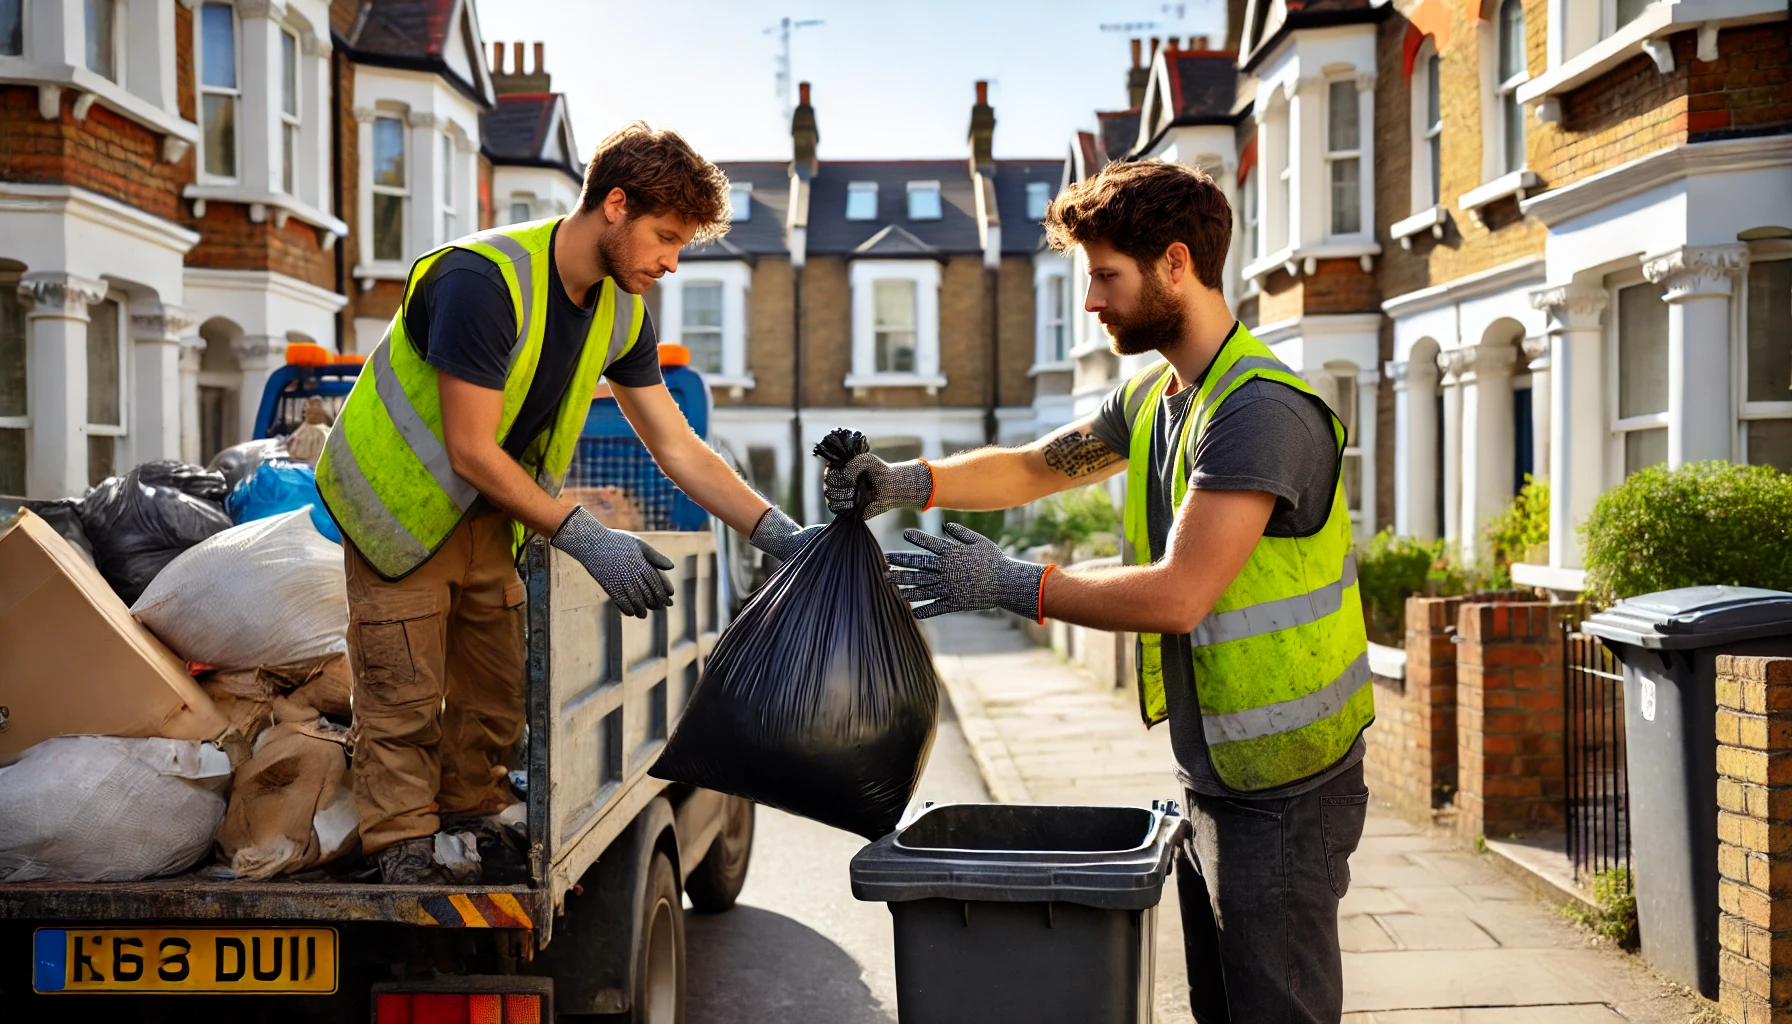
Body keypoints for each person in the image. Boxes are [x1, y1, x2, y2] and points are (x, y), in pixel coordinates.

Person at [830, 160, 1371, 1023]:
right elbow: (1033, 468)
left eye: (1106, 276)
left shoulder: (1256, 411)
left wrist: (1012, 583)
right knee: (1224, 1010)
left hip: (1287, 788)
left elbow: (1179, 596)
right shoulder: (1160, 396)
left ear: (1176, 264)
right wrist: (904, 482)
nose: (1090, 302)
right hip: (1224, 772)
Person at [317, 123, 817, 884]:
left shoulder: (621, 309)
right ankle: (402, 850)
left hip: (491, 516)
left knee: (497, 692)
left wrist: (778, 533)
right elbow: (470, 448)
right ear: (615, 205)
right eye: (665, 237)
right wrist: (585, 536)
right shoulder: (482, 281)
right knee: (403, 694)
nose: (672, 263)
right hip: (398, 508)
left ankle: (471, 820)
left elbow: (677, 445)